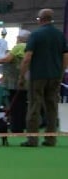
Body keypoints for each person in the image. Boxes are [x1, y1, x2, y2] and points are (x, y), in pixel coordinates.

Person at [18, 9, 68, 147]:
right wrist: (61, 73)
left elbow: (27, 57)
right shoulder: (60, 35)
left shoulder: (36, 35)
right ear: (51, 19)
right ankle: (51, 138)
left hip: (38, 76)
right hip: (55, 76)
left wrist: (21, 76)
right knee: (52, 107)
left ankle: (32, 139)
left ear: (40, 19)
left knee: (34, 106)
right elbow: (65, 57)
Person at [0, 30, 30, 134]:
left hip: (15, 81)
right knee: (22, 104)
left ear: (20, 38)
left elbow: (6, 60)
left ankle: (16, 127)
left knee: (15, 104)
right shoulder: (30, 47)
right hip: (27, 80)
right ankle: (21, 125)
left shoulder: (19, 46)